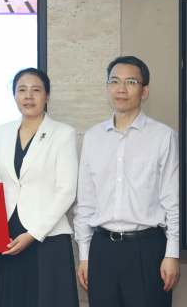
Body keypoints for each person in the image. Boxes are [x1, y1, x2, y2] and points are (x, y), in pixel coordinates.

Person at [74, 56, 180, 307]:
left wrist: (172, 253)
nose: (121, 89)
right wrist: (85, 254)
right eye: (115, 81)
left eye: (130, 82)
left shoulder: (164, 137)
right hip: (102, 249)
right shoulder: (93, 137)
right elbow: (86, 201)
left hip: (147, 250)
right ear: (107, 87)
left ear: (145, 91)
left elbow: (173, 201)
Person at [0, 68, 79, 307]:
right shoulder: (0, 133)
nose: (28, 96)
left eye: (36, 90)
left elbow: (66, 191)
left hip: (46, 236)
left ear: (47, 96)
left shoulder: (63, 133)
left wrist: (33, 234)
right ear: (14, 96)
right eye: (21, 90)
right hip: (5, 235)